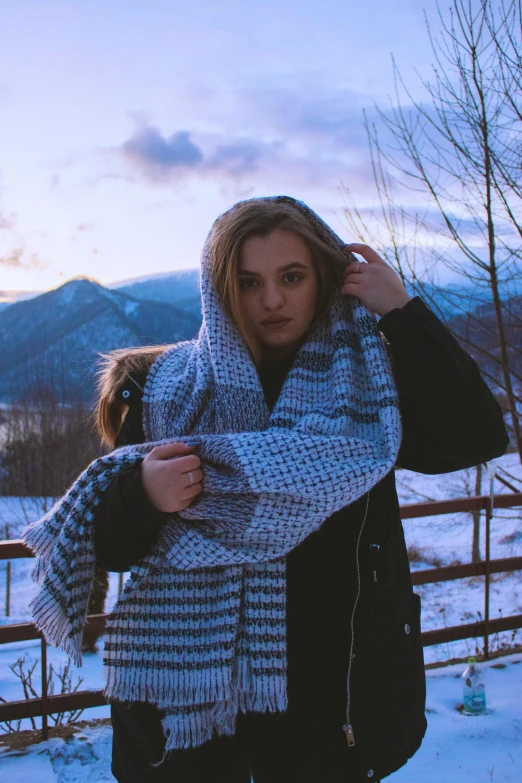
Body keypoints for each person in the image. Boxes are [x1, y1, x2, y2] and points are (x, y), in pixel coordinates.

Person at [27, 196, 509, 783]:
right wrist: (142, 495)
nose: (272, 300)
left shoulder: (366, 395)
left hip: (331, 712)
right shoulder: (162, 390)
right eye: (248, 282)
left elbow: (475, 437)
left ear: (326, 278)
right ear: (219, 289)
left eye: (292, 277)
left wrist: (403, 313)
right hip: (190, 727)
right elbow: (112, 548)